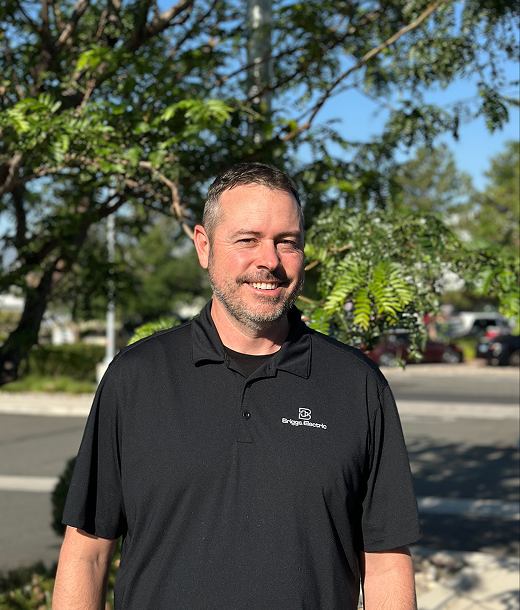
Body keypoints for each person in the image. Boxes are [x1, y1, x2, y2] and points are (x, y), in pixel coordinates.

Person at [53, 163, 420, 609]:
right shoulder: (136, 377)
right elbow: (87, 554)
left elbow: (385, 563)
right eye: (247, 239)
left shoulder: (357, 386)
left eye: (287, 242)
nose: (270, 260)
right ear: (204, 246)